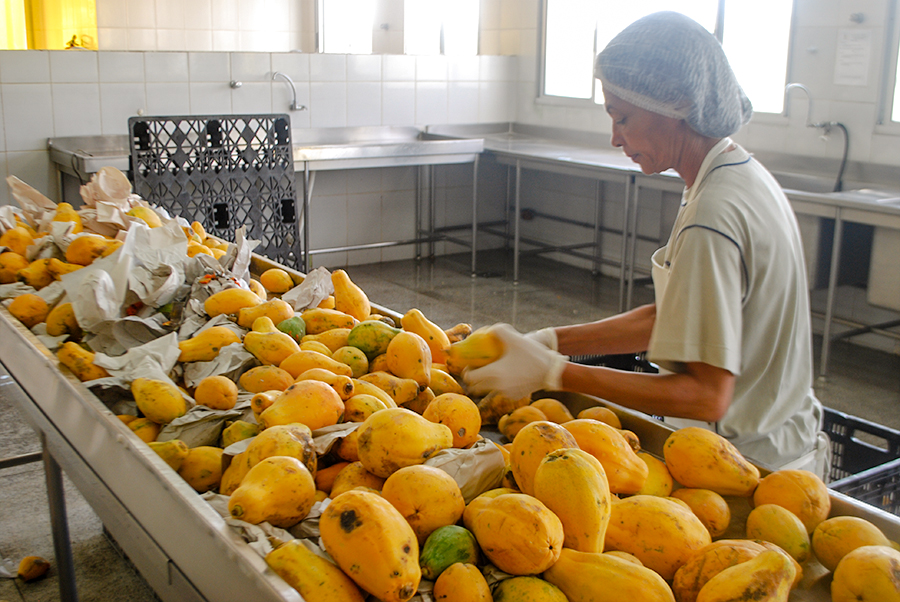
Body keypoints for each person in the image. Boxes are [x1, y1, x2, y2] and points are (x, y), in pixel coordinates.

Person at [463, 11, 829, 477]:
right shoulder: (738, 177)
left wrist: (557, 373)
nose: (615, 137)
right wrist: (551, 340)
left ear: (675, 102)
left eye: (623, 117)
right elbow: (679, 317)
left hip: (745, 467)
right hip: (780, 444)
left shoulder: (713, 213)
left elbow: (706, 393)